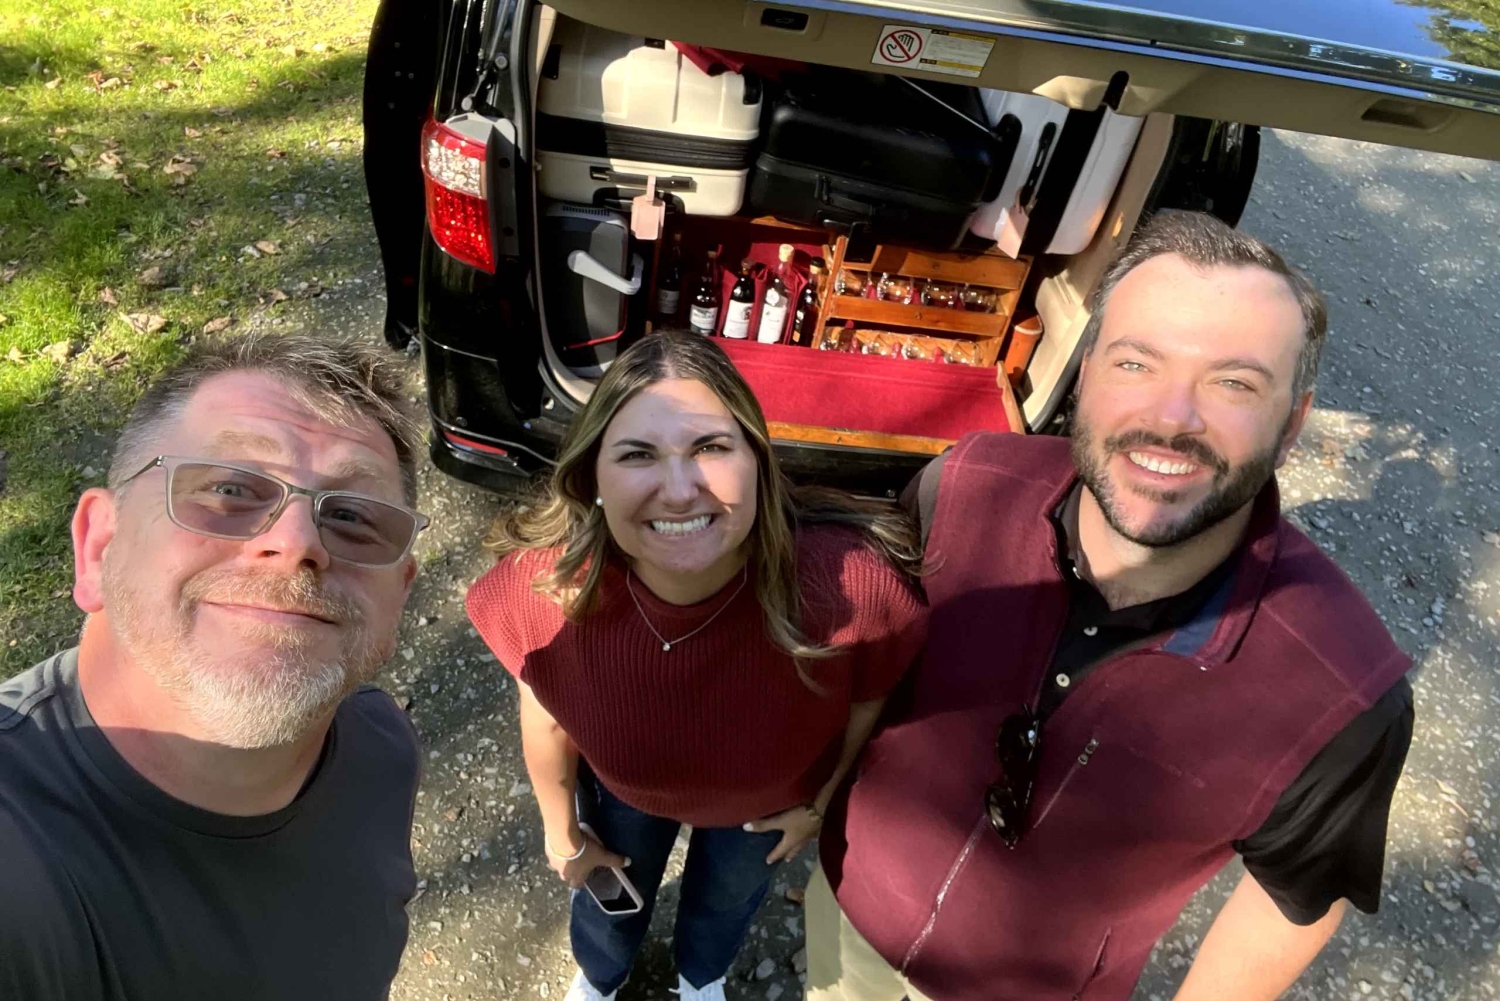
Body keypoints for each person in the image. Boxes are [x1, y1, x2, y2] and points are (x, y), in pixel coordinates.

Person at [807, 211, 1414, 1001]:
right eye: (1136, 362)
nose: (1171, 417)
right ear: (1085, 369)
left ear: (1292, 422)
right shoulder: (961, 486)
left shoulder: (1342, 693)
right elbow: (869, 654)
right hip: (847, 911)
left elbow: (1295, 897)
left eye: (1234, 382)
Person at [466, 332, 927, 1001]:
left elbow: (868, 698)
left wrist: (818, 804)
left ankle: (701, 979)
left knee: (724, 907)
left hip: (765, 809)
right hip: (624, 794)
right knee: (608, 906)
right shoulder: (542, 587)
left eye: (710, 447)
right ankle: (601, 978)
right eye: (637, 454)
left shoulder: (855, 584)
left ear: (758, 461)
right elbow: (544, 707)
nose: (680, 491)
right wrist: (561, 831)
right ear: (592, 477)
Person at [0, 333, 429, 1000]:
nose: (297, 542)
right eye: (229, 488)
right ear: (99, 548)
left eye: (352, 515)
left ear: (398, 594)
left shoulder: (382, 748)